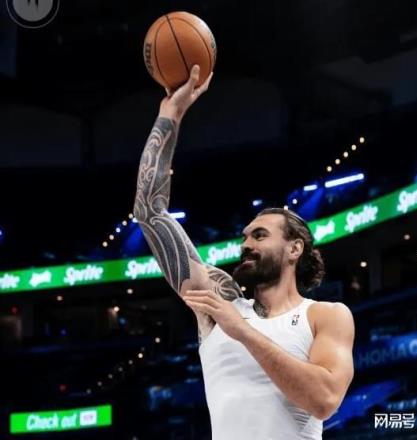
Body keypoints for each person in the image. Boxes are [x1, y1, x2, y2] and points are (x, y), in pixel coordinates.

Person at [133, 65, 355, 440]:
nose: (246, 244)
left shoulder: (326, 315)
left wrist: (243, 332)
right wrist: (169, 115)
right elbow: (149, 212)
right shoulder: (218, 304)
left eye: (260, 235)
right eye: (245, 237)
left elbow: (324, 400)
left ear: (294, 248)